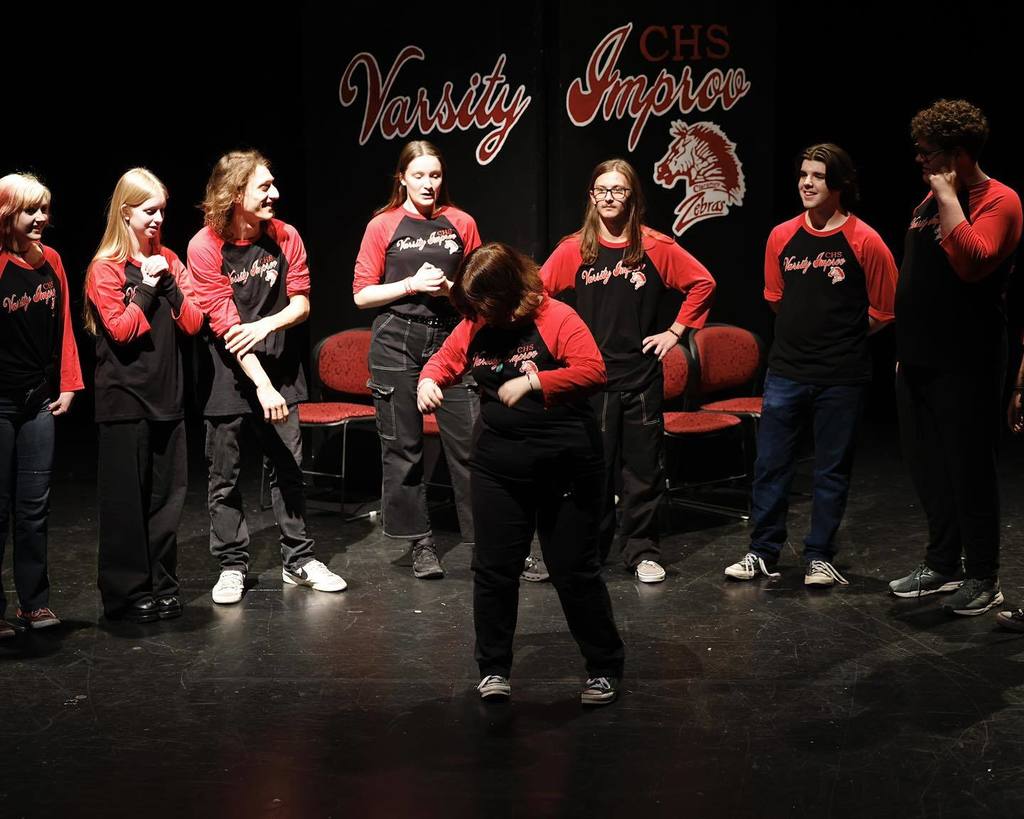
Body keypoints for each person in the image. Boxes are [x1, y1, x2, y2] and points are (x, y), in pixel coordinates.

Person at [418, 242, 625, 705]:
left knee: (573, 569)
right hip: (499, 467)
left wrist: (535, 380)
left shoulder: (556, 318)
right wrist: (429, 381)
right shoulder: (475, 323)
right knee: (493, 569)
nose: (477, 315)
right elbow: (446, 359)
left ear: (506, 294)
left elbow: (594, 372)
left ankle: (604, 665)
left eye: (483, 306)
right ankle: (493, 669)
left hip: (566, 463)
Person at [723, 144, 897, 586]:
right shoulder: (782, 236)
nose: (806, 182)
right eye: (803, 174)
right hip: (786, 372)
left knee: (830, 469)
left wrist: (836, 341)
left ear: (838, 185)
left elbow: (884, 310)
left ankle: (820, 556)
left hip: (842, 376)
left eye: (817, 176)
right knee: (771, 465)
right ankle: (762, 552)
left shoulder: (865, 240)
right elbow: (775, 299)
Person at [540, 158, 715, 583]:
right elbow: (537, 295)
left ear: (632, 196)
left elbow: (703, 283)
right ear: (591, 196)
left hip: (639, 379)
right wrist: (559, 344)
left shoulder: (655, 247)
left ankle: (641, 552)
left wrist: (675, 332)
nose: (609, 198)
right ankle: (588, 552)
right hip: (590, 382)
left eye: (618, 190)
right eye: (601, 190)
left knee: (642, 471)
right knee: (590, 473)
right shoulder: (573, 249)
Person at [188, 150, 346, 605]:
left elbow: (302, 303)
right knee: (225, 476)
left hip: (279, 368)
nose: (275, 193)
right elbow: (224, 325)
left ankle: (298, 559)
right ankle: (232, 565)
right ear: (235, 194)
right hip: (229, 376)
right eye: (264, 186)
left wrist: (266, 325)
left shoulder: (285, 236)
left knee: (289, 469)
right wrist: (260, 385)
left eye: (273, 184)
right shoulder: (204, 246)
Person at [889, 99, 1022, 615]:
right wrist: (906, 349)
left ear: (958, 154)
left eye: (929, 154)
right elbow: (915, 277)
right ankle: (943, 564)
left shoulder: (1000, 199)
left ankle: (984, 577)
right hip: (919, 355)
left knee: (969, 468)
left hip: (967, 357)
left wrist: (947, 196)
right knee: (927, 465)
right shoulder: (926, 203)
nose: (920, 162)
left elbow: (972, 263)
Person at [353, 140, 479, 579]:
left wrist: (448, 290)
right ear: (402, 178)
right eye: (420, 175)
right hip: (396, 339)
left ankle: (491, 542)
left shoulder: (461, 222)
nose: (428, 183)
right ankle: (420, 543)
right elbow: (362, 294)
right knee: (402, 448)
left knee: (471, 445)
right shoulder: (382, 225)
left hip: (452, 338)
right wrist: (410, 285)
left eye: (436, 175)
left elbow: (478, 291)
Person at [85, 168, 204, 622]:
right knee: (125, 504)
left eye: (162, 212)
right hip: (123, 401)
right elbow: (121, 329)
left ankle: (162, 584)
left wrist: (169, 282)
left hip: (166, 398)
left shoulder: (170, 260)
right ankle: (125, 593)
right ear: (126, 212)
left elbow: (193, 323)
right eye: (149, 211)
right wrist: (149, 288)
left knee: (165, 501)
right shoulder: (106, 268)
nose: (157, 219)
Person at [0, 173, 83, 637]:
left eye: (44, 209)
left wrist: (68, 384)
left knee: (33, 508)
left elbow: (65, 325)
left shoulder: (51, 261)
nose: (41, 219)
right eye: (30, 210)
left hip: (37, 402)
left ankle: (34, 604)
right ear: (7, 216)